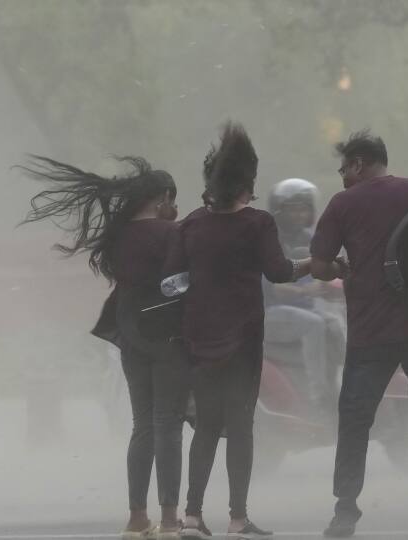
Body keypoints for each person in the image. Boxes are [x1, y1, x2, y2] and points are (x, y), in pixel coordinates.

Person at [20, 156, 188, 539]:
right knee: (167, 426)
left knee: (142, 425)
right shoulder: (172, 234)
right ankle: (170, 517)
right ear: (163, 197)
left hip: (129, 333)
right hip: (167, 334)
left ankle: (136, 517)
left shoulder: (119, 235)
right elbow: (181, 283)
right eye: (172, 199)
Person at [163, 122, 310, 540]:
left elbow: (170, 283)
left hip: (200, 340)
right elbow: (279, 272)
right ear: (248, 182)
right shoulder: (258, 223)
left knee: (207, 426)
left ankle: (191, 517)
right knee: (241, 426)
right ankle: (237, 518)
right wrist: (316, 266)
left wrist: (200, 287)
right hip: (244, 340)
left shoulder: (190, 224)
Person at [310, 130, 408, 537]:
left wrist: (341, 267)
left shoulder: (344, 203)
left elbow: (320, 266)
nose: (342, 176)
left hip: (370, 330)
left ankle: (344, 513)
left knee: (356, 420)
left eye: (344, 168)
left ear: (358, 164)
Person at [264, 178, 345, 411]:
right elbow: (274, 288)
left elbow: (328, 272)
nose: (300, 215)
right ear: (279, 210)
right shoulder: (271, 240)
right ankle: (317, 397)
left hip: (302, 309)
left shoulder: (309, 238)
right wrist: (303, 290)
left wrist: (335, 286)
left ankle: (343, 385)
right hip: (268, 311)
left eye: (304, 209)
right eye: (293, 209)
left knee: (337, 324)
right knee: (314, 325)